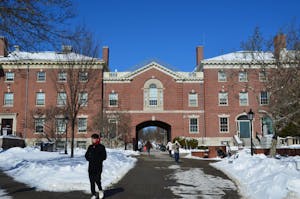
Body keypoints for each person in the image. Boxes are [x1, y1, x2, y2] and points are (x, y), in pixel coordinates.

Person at [85, 134, 107, 199]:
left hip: (98, 167)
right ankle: (94, 194)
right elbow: (86, 155)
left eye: (94, 139)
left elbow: (104, 157)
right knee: (92, 181)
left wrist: (97, 159)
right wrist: (90, 159)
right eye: (92, 139)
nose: (92, 140)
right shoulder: (90, 147)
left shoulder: (101, 147)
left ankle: (100, 190)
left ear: (97, 139)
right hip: (91, 167)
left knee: (97, 180)